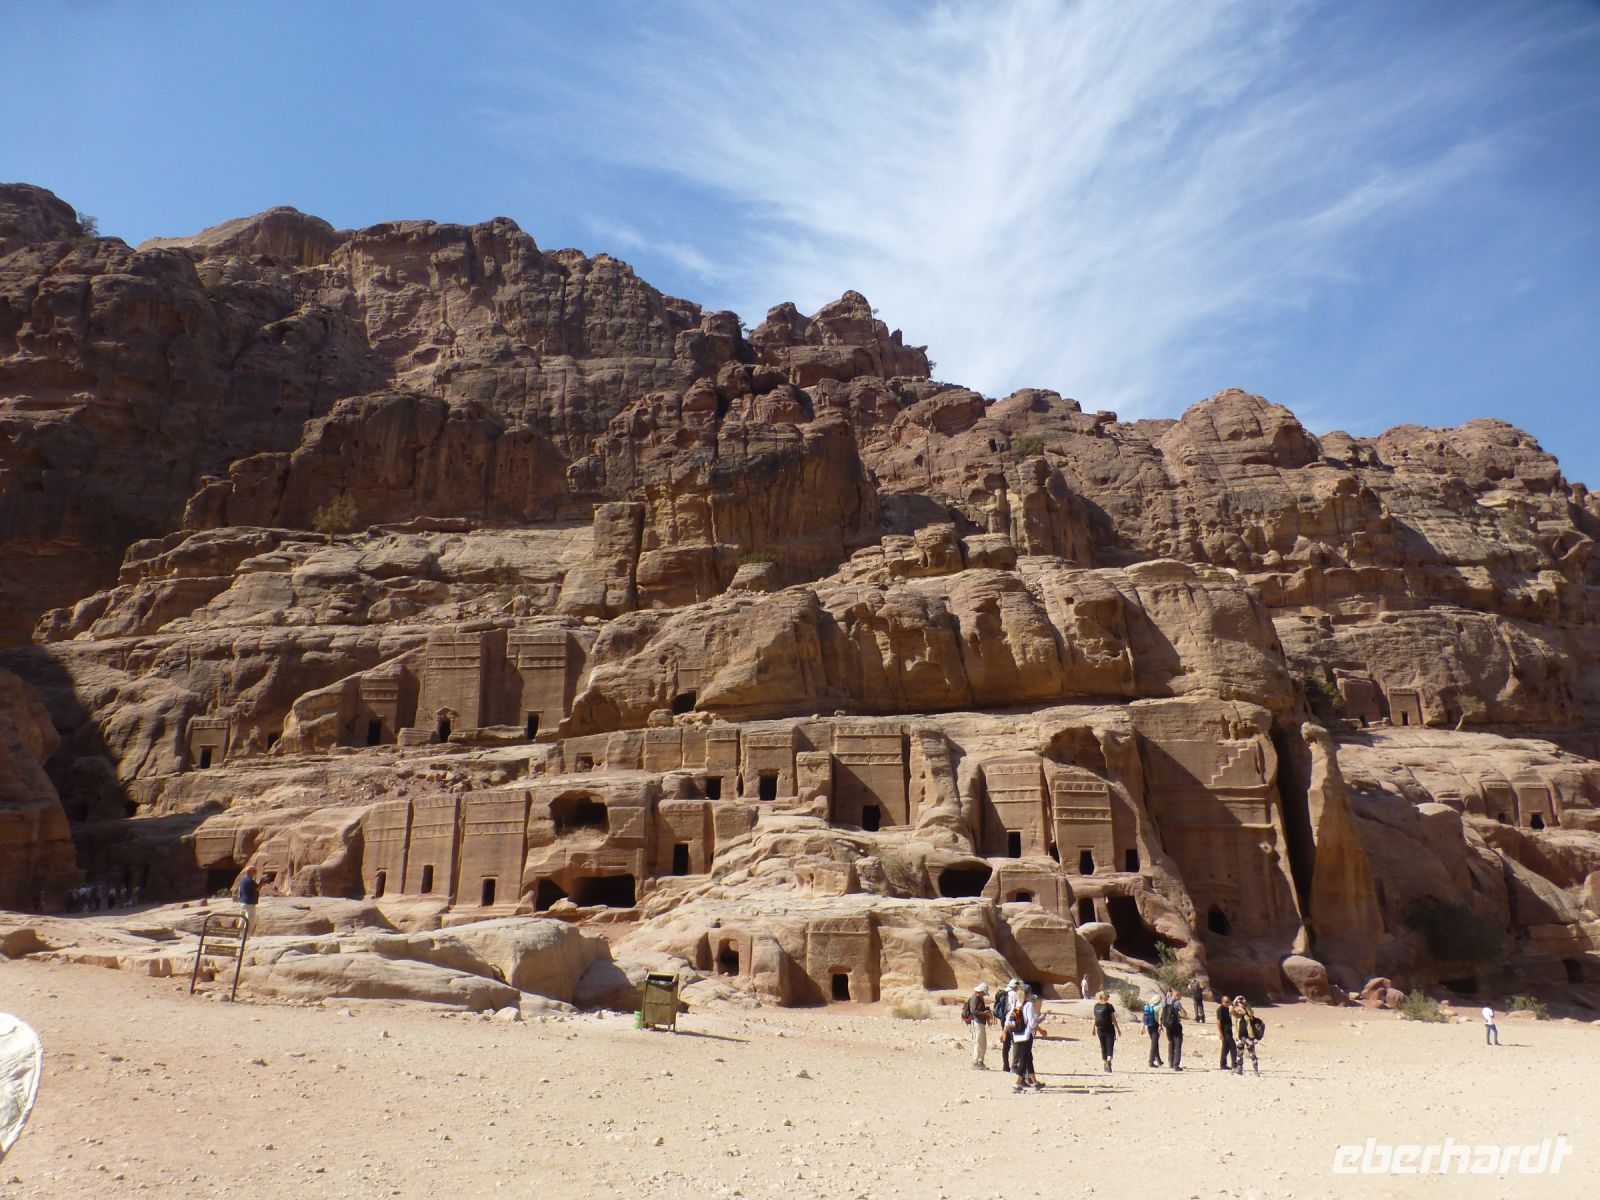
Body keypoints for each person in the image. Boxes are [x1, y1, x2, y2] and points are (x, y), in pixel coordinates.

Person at [1010, 985, 1043, 1093]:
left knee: (1028, 1059)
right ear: (1028, 994)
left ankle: (1035, 1083)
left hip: (1017, 1035)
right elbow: (1032, 1023)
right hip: (1026, 1035)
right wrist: (1041, 1030)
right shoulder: (1028, 1005)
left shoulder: (1017, 1003)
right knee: (1023, 1061)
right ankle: (1016, 1084)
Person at [962, 983, 992, 1069]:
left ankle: (980, 1062)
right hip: (976, 1022)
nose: (984, 995)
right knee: (978, 1042)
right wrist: (984, 1013)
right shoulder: (974, 998)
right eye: (984, 993)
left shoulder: (980, 999)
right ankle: (975, 1062)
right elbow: (973, 1011)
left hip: (981, 1022)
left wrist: (986, 1015)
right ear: (981, 991)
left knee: (983, 1042)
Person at [1092, 990, 1121, 1073]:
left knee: (1103, 1047)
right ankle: (1108, 1062)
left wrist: (1093, 1028)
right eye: (1108, 995)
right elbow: (1113, 1019)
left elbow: (1095, 1018)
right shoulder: (1109, 1006)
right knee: (1110, 1047)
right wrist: (1118, 1029)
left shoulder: (1096, 1006)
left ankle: (1105, 1064)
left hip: (1099, 1029)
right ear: (1104, 997)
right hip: (1109, 1029)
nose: (1109, 997)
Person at [1232, 997, 1260, 1076]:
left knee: (1252, 1054)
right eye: (1239, 1001)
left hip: (1249, 1037)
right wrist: (1234, 1002)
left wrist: (1246, 1006)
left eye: (1241, 1001)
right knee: (1239, 1054)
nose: (1240, 1002)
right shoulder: (1237, 1013)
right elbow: (1231, 1010)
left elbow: (1251, 1014)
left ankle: (1256, 1070)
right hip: (1240, 1036)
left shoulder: (1248, 1011)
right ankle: (1239, 1069)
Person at [996, 979, 1018, 1072]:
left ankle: (1005, 1066)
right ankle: (1015, 1066)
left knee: (1006, 1044)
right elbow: (1013, 1009)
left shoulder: (1004, 992)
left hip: (1003, 1019)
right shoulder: (1014, 994)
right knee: (1016, 1043)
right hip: (1011, 1020)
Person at [232, 865, 260, 935]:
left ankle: (238, 934)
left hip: (242, 902)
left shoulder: (242, 880)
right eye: (254, 872)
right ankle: (246, 935)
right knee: (249, 920)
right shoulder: (250, 881)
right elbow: (257, 888)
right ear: (250, 872)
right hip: (249, 903)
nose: (254, 873)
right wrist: (261, 883)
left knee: (242, 919)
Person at [1161, 988, 1185, 1070]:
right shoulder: (1177, 1003)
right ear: (1177, 995)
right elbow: (1184, 1013)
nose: (1181, 998)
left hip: (1167, 1026)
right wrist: (1180, 1016)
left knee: (1171, 1043)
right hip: (1176, 1026)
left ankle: (1170, 1063)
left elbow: (1161, 1014)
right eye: (1180, 996)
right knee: (1178, 1045)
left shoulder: (1164, 1001)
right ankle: (1176, 1065)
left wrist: (1160, 1025)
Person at [1216, 994, 1237, 1070]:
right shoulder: (1220, 1009)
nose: (1228, 1003)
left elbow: (1234, 1009)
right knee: (1233, 1047)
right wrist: (1220, 1033)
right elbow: (1218, 1022)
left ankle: (1223, 1065)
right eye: (1226, 1002)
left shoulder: (1227, 1008)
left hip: (1229, 1030)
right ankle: (1234, 1064)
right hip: (1225, 1031)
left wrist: (1234, 1003)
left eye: (1229, 1002)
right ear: (1222, 1002)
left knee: (1225, 1048)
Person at [1142, 996, 1163, 1067]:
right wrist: (1160, 1025)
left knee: (1155, 1043)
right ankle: (1151, 1061)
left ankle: (1159, 1060)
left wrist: (1143, 1027)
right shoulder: (1158, 1007)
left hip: (1149, 1026)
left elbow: (1144, 1017)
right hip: (1155, 1026)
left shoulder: (1147, 1006)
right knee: (1154, 1044)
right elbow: (1160, 1017)